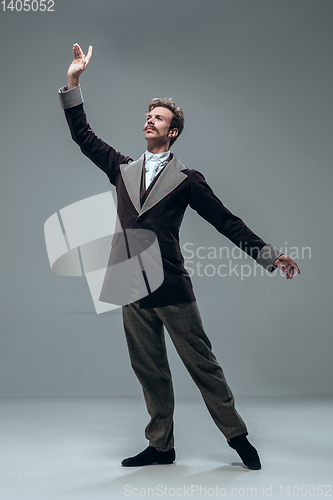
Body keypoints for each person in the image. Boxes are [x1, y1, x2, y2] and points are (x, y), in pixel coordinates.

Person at [58, 43, 300, 471]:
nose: (150, 119)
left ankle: (238, 437)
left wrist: (269, 255)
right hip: (129, 285)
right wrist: (74, 81)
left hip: (170, 284)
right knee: (149, 372)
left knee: (203, 365)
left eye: (160, 117)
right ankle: (161, 446)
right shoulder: (122, 169)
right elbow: (83, 136)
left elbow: (227, 221)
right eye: (149, 114)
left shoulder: (187, 180)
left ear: (172, 132)